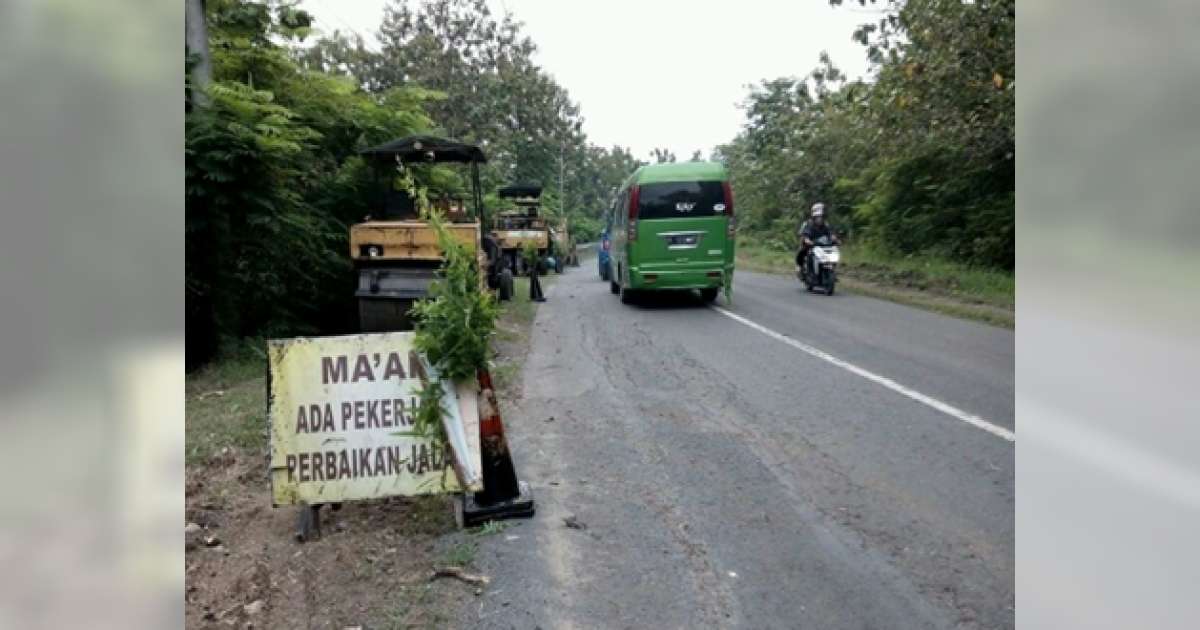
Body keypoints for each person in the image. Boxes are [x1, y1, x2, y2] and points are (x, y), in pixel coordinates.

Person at [796, 203, 838, 271]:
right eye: (817, 217)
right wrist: (807, 240)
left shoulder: (826, 225)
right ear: (814, 216)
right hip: (811, 244)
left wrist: (834, 239)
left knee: (834, 250)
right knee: (803, 250)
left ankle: (831, 270)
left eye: (821, 217)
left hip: (822, 245)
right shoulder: (809, 224)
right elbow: (805, 234)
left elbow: (830, 233)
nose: (819, 219)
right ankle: (800, 266)